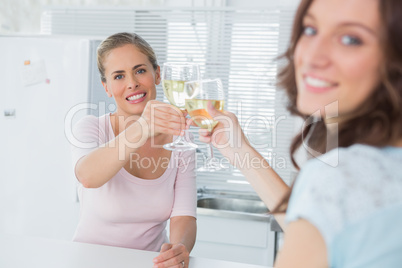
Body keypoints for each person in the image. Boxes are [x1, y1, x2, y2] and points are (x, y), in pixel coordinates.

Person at [195, 0, 402, 267]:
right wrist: (239, 151)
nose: (312, 56)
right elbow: (325, 235)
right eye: (311, 29)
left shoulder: (342, 177)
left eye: (351, 39)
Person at [70, 32, 196, 268]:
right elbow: (87, 176)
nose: (132, 83)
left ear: (157, 75)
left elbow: (184, 214)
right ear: (106, 87)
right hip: (89, 262)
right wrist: (143, 128)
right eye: (119, 76)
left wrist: (178, 249)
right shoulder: (90, 127)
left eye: (140, 70)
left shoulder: (179, 135)